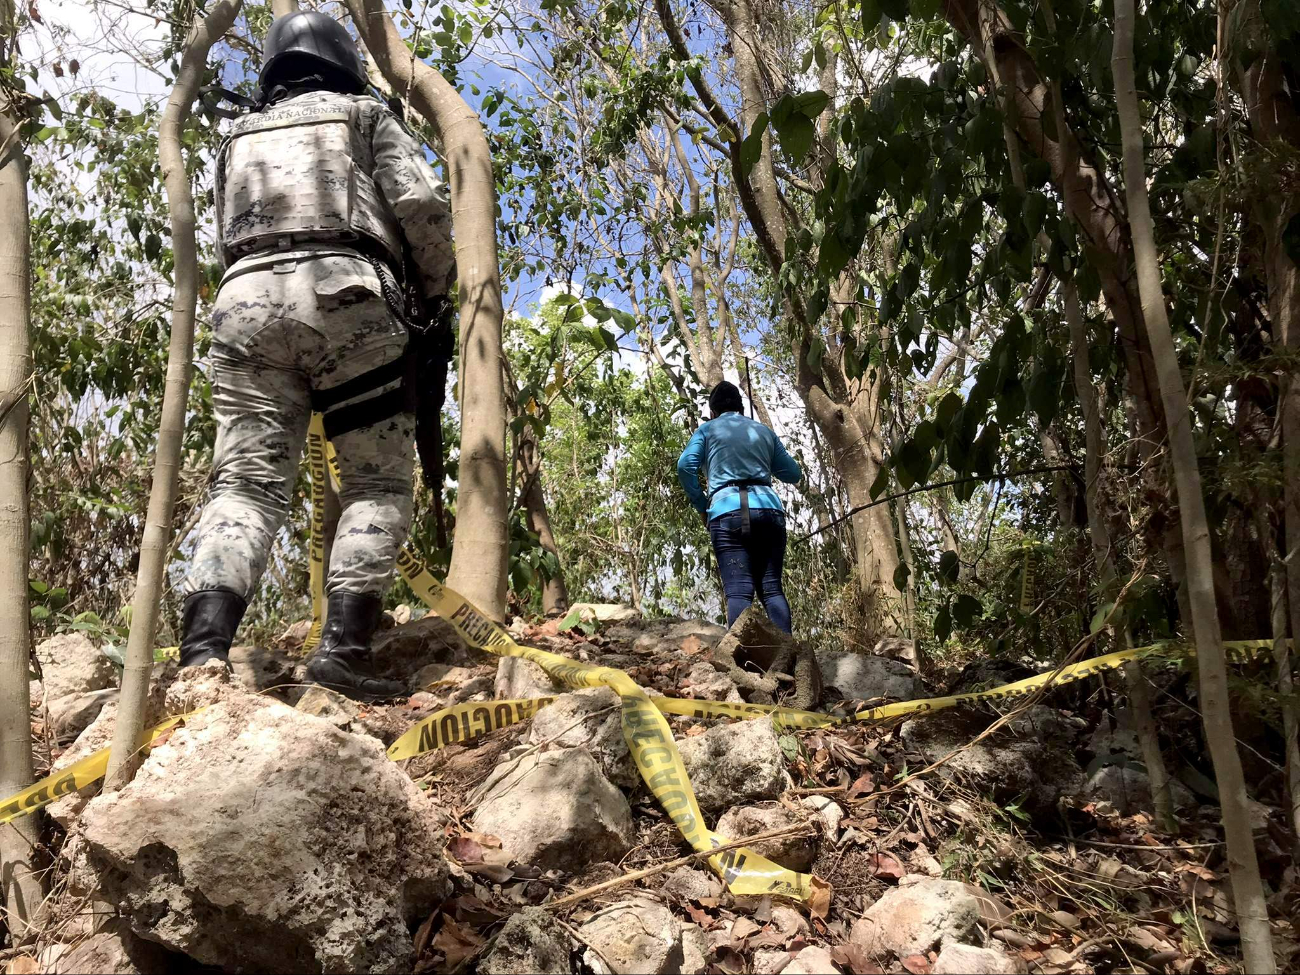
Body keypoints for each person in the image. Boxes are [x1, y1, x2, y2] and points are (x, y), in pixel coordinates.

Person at [177, 11, 455, 701]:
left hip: (242, 303)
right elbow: (419, 205)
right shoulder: (363, 114)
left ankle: (203, 652)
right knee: (376, 483)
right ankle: (342, 652)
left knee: (243, 485)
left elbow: (223, 231)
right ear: (343, 63)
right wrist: (440, 290)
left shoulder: (233, 135)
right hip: (348, 298)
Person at [677, 381, 802, 633]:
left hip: (726, 511)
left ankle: (742, 663)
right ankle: (788, 658)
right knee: (771, 589)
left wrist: (701, 505)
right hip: (768, 509)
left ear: (712, 412)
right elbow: (792, 473)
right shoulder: (763, 431)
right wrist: (762, 459)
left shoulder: (707, 430)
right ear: (741, 408)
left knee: (738, 592)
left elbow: (684, 466)